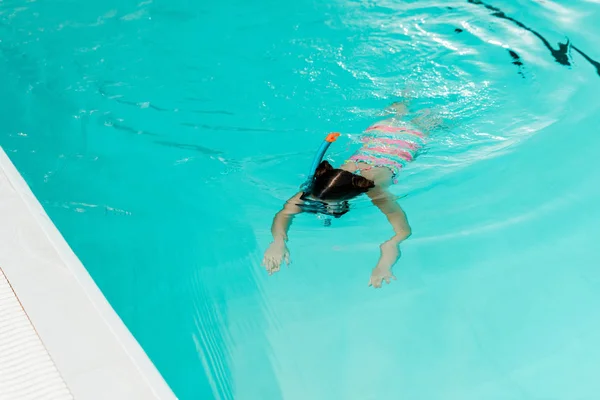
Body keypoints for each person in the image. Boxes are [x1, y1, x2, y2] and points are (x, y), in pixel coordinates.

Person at [262, 99, 441, 288]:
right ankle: (406, 97)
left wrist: (386, 256)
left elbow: (403, 231)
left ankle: (410, 100)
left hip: (408, 140)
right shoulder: (324, 184)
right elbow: (285, 213)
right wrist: (278, 241)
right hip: (379, 131)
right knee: (402, 108)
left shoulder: (375, 190)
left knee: (429, 118)